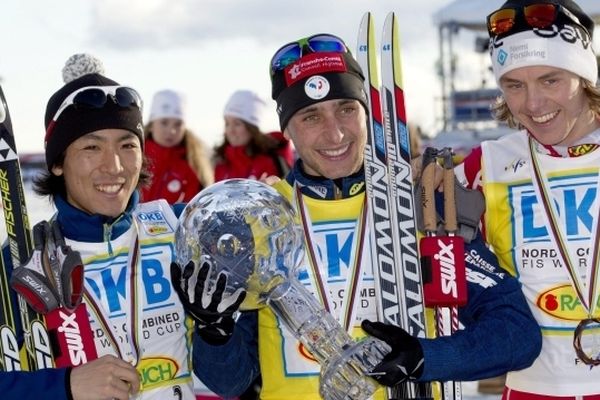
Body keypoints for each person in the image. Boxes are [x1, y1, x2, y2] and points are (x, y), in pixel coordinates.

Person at [172, 33, 542, 399]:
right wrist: (214, 332)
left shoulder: (419, 205)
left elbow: (515, 334)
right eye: (310, 116)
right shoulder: (260, 220)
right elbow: (231, 381)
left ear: (369, 113)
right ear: (286, 129)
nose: (334, 133)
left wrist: (425, 357)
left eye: (346, 109)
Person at [1, 71, 196, 399]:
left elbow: (233, 371)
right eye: (92, 146)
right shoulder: (21, 260)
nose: (114, 166)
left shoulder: (182, 228)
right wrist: (65, 386)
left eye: (127, 145)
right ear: (59, 163)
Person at [454, 0, 600, 397]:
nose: (532, 105)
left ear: (585, 75)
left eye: (550, 80)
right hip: (532, 387)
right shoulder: (485, 165)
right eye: (514, 86)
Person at [142, 89, 214, 203]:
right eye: (164, 122)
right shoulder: (134, 158)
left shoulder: (193, 167)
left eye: (178, 124)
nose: (171, 131)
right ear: (151, 125)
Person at [213, 89, 293, 182]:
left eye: (237, 124)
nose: (230, 130)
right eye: (227, 123)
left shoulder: (271, 162)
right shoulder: (221, 164)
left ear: (252, 128)